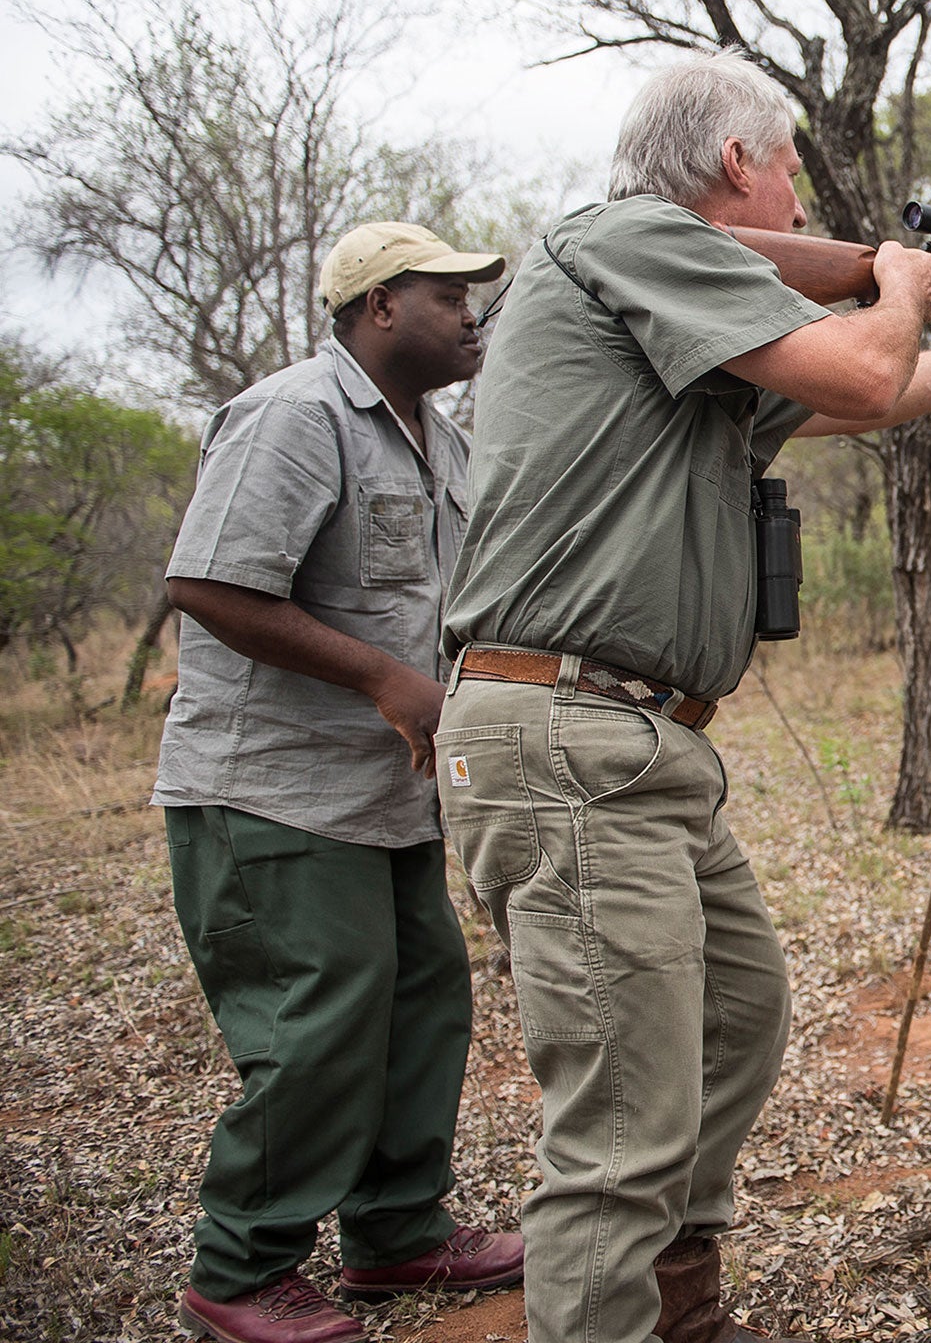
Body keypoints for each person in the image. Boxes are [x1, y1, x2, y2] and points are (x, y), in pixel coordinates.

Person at [436, 48, 931, 1343]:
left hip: (639, 748)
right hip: (576, 737)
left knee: (738, 1015)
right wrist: (906, 281)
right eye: (790, 162)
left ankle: (682, 1313)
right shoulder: (630, 240)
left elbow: (872, 393)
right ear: (737, 162)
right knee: (618, 1136)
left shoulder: (688, 317)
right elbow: (861, 367)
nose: (801, 194)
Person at [156, 223, 526, 1343]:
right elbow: (208, 585)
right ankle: (238, 1268)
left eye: (475, 297)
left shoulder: (442, 446)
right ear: (377, 307)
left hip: (386, 796)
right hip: (271, 790)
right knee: (319, 1020)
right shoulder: (294, 416)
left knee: (422, 1004)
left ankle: (396, 1236)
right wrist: (382, 680)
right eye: (447, 295)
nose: (471, 316)